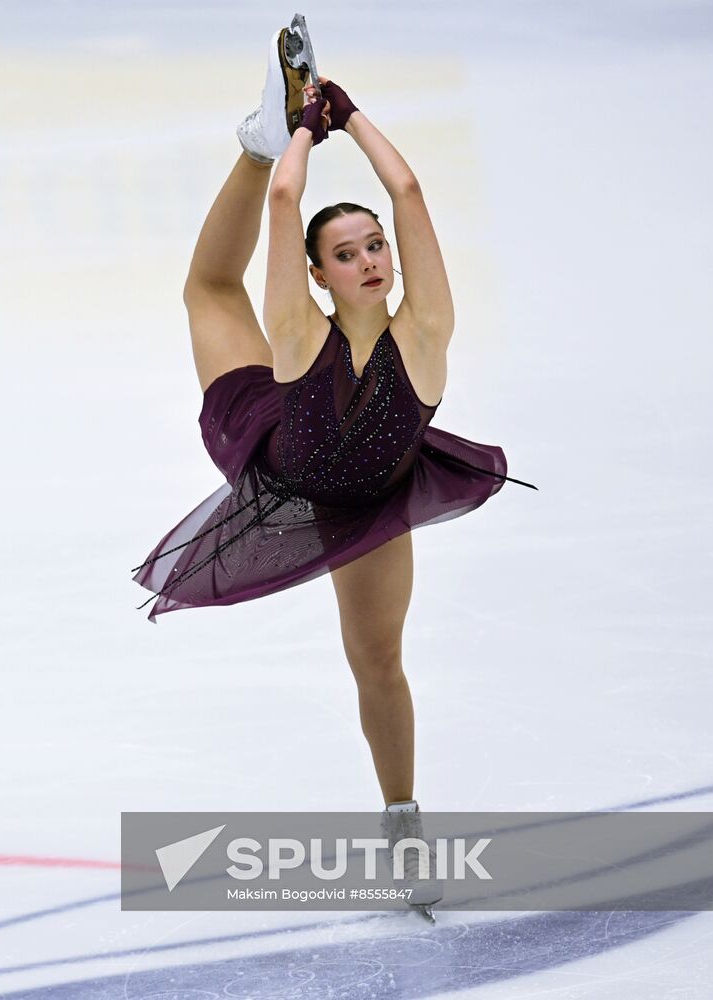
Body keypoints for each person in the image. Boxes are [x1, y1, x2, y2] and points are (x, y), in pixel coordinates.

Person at [131, 24, 536, 849]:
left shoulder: (425, 332)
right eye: (345, 254)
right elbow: (286, 205)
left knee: (377, 663)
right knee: (208, 288)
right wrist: (298, 136)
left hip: (371, 500)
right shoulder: (295, 330)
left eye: (374, 245)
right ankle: (254, 143)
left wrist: (349, 117)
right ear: (318, 274)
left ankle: (401, 824)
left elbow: (410, 193)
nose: (370, 259)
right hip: (273, 455)